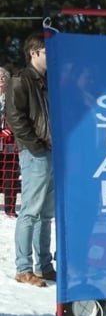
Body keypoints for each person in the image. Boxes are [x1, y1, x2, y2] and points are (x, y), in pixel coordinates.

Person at [5, 33, 55, 287]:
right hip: (36, 152)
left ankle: (44, 265)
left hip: (52, 151)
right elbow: (14, 115)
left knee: (46, 213)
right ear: (34, 52)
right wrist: (34, 146)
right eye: (47, 51)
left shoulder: (49, 80)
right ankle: (23, 267)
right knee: (31, 211)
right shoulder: (21, 79)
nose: (51, 54)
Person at [0, 66, 20, 218]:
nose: (1, 79)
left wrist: (10, 129)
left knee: (10, 175)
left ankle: (10, 209)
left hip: (9, 144)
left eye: (3, 77)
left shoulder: (13, 98)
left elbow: (19, 117)